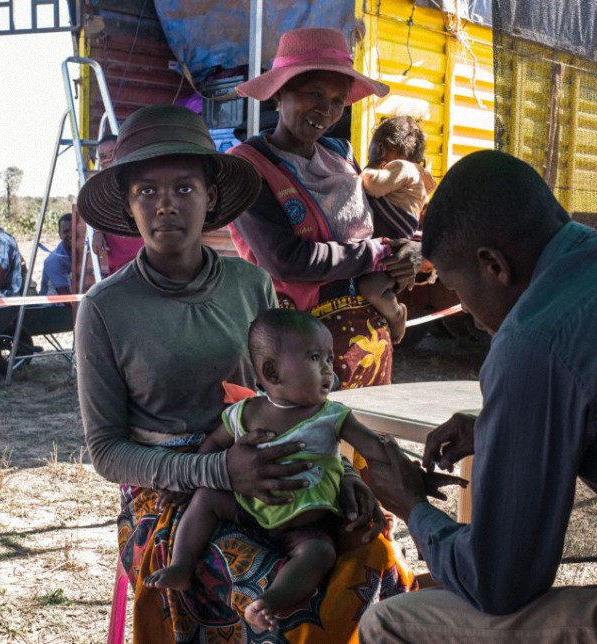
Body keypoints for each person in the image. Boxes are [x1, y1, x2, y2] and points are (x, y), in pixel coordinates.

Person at [359, 150, 597, 642]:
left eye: (458, 290)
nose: (469, 313)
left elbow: (499, 583)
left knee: (394, 623)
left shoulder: (534, 337)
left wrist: (413, 505)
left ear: (493, 264)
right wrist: (499, 428)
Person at [75, 104, 412, 641]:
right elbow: (108, 452)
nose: (166, 206)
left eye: (184, 189)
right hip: (173, 493)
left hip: (276, 465)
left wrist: (338, 475)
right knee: (263, 592)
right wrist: (219, 473)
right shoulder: (104, 308)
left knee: (371, 554)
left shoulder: (250, 284)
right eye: (147, 192)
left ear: (211, 199)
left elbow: (282, 399)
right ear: (128, 204)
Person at [144, 308, 463, 631]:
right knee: (206, 498)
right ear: (272, 371)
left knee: (319, 554)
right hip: (247, 509)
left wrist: (416, 475)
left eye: (329, 357)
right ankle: (181, 566)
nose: (329, 368)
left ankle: (270, 601)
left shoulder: (332, 416)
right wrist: (192, 478)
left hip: (305, 524)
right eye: (315, 358)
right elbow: (213, 446)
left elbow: (378, 450)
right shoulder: (244, 413)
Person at [230, 27, 425, 389]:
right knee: (310, 443)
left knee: (366, 441)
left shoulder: (340, 155)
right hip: (299, 350)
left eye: (338, 100)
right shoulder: (248, 167)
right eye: (314, 94)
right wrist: (379, 254)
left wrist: (410, 249)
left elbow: (382, 226)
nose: (327, 110)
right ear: (279, 93)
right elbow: (286, 260)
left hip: (367, 346)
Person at [357, 115, 438, 343]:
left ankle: (397, 316)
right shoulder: (414, 175)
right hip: (390, 243)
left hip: (392, 245)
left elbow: (373, 186)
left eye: (373, 145)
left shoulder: (404, 168)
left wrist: (364, 171)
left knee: (372, 288)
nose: (370, 151)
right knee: (372, 287)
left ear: (384, 147)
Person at [90, 134, 145, 277]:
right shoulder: (98, 187)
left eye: (112, 153)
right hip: (117, 262)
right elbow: (96, 212)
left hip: (145, 258)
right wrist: (97, 233)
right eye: (103, 156)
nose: (108, 159)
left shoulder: (141, 178)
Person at [39, 212, 73, 295]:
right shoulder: (55, 260)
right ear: (60, 235)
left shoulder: (86, 252)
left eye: (74, 230)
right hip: (53, 306)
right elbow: (66, 298)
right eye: (66, 231)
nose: (71, 234)